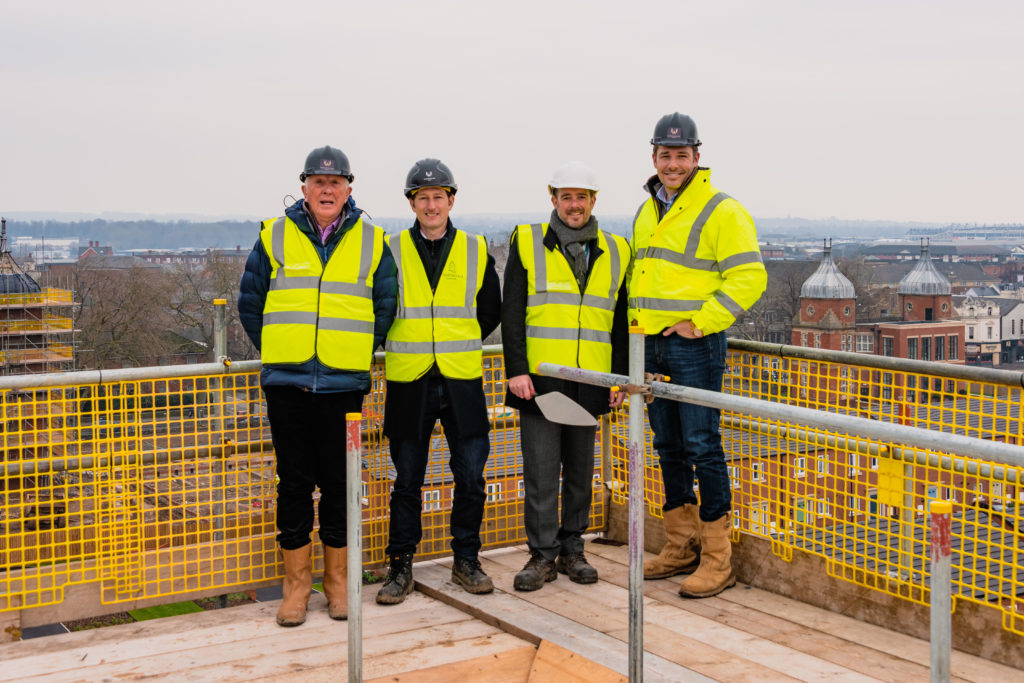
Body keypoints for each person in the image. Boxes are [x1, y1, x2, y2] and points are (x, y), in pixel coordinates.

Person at [237, 145, 397, 626]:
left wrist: (353, 352)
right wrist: (281, 349)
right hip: (287, 385)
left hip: (343, 386)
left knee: (340, 484)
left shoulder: (372, 240)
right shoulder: (274, 236)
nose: (327, 190)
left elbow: (384, 306)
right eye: (318, 181)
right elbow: (251, 302)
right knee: (293, 483)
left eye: (336, 182)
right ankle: (296, 587)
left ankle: (338, 584)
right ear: (304, 186)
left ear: (350, 188)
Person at [629, 113, 767, 598]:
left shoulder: (722, 210)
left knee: (702, 445)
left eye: (681, 156)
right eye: (664, 156)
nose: (672, 164)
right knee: (667, 445)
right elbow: (641, 282)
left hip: (694, 346)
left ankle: (717, 559)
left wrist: (700, 322)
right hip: (652, 344)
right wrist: (638, 342)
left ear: (696, 158)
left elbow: (750, 277)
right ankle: (680, 545)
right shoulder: (648, 212)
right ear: (653, 158)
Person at [375, 159, 502, 605]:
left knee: (470, 478)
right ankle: (401, 566)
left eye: (438, 196)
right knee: (407, 481)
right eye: (422, 197)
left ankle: (466, 560)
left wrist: (455, 341)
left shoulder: (474, 247)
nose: (431, 204)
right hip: (410, 382)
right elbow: (381, 308)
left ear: (451, 199)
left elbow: (490, 310)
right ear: (412, 202)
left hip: (461, 381)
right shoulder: (388, 250)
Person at [502, 161, 629, 591]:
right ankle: (542, 555)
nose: (574, 206)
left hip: (590, 383)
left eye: (582, 197)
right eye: (566, 197)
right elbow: (512, 312)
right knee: (540, 471)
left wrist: (618, 378)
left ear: (594, 202)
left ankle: (573, 547)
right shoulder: (526, 242)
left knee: (580, 471)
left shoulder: (617, 250)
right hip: (539, 382)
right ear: (553, 199)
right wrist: (516, 370)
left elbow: (618, 322)